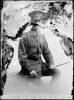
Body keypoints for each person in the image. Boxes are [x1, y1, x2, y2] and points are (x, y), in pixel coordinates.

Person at [18, 11, 55, 78]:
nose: (36, 27)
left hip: (40, 64)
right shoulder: (24, 37)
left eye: (38, 25)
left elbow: (46, 52)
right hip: (29, 66)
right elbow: (21, 57)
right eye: (34, 25)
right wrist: (30, 69)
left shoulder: (42, 36)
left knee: (56, 73)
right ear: (31, 25)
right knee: (40, 86)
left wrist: (51, 63)